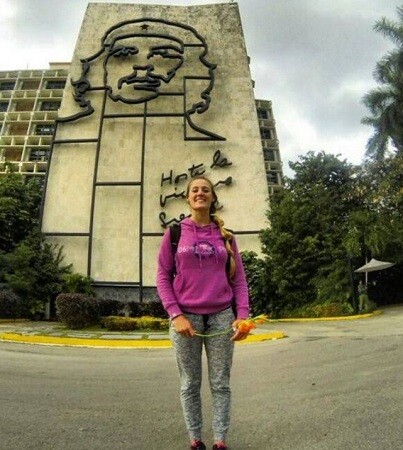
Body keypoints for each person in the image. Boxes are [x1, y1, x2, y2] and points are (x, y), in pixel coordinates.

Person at [157, 175, 250, 450]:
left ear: (212, 198)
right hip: (186, 319)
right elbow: (162, 276)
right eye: (195, 189)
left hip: (221, 315)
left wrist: (242, 315)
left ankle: (220, 441)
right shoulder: (174, 234)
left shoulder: (226, 236)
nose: (200, 193)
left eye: (205, 190)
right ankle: (195, 440)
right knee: (189, 384)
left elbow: (240, 280)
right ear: (187, 197)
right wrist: (176, 315)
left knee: (221, 383)